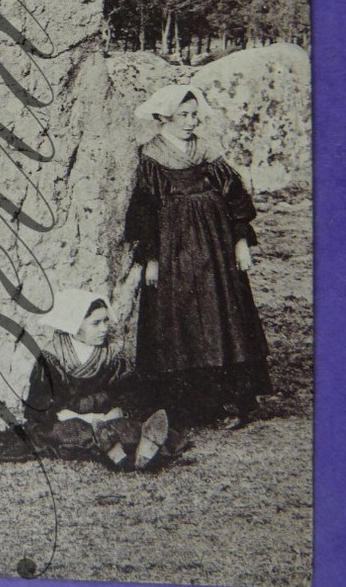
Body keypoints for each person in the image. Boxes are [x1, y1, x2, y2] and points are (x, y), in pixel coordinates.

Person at [126, 85, 272, 430]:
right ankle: (188, 407)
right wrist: (151, 258)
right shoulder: (151, 160)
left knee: (225, 318)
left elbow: (235, 199)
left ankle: (236, 401)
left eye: (195, 115)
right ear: (162, 118)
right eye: (184, 116)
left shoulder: (208, 153)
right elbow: (145, 214)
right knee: (178, 325)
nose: (192, 122)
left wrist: (240, 242)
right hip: (174, 256)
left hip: (216, 252)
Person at [24, 288, 174, 470]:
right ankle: (115, 449)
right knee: (73, 432)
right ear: (74, 325)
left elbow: (128, 392)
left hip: (107, 417)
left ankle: (136, 447)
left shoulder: (112, 355)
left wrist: (115, 410)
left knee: (127, 426)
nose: (103, 329)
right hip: (70, 418)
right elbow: (41, 405)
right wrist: (84, 416)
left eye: (105, 322)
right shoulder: (52, 357)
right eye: (95, 323)